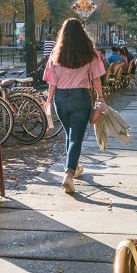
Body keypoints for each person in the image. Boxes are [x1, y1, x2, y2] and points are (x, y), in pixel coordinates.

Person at [44, 18, 107, 195]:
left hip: (60, 98)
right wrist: (100, 96)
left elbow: (52, 81)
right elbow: (96, 77)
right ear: (82, 32)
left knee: (69, 135)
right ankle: (69, 175)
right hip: (80, 97)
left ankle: (74, 166)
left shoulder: (56, 53)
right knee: (75, 138)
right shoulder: (89, 52)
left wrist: (49, 101)